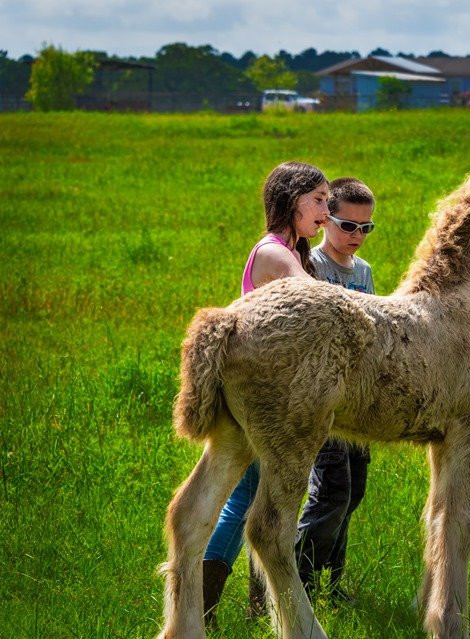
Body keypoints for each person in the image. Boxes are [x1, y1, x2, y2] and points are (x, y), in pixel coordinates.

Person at [201, 160, 331, 624]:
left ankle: (258, 603)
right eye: (317, 200)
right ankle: (206, 604)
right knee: (248, 499)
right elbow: (319, 308)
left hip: (280, 386)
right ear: (289, 201)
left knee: (264, 496)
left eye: (327, 202)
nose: (325, 210)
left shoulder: (293, 251)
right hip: (268, 388)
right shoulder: (275, 253)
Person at [295, 177, 376, 603]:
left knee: (353, 492)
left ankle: (333, 583)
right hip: (326, 402)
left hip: (358, 402)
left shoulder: (363, 273)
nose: (357, 236)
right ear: (326, 220)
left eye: (367, 228)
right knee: (331, 492)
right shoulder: (314, 267)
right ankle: (299, 584)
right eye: (348, 226)